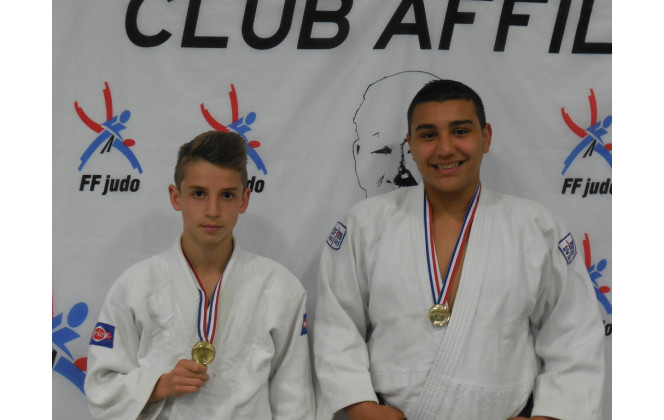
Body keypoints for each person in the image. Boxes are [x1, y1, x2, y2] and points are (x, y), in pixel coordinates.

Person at [313, 80, 605, 420]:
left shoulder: (536, 227)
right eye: (428, 135)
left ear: (486, 137)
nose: (445, 148)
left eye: (460, 131)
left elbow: (574, 333)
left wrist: (549, 417)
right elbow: (337, 326)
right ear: (411, 144)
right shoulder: (364, 224)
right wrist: (360, 406)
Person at [85, 131, 315, 419]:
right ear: (176, 197)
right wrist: (159, 385)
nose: (212, 210)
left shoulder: (281, 288)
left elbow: (295, 400)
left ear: (244, 200)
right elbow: (101, 389)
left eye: (227, 195)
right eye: (198, 194)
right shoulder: (134, 287)